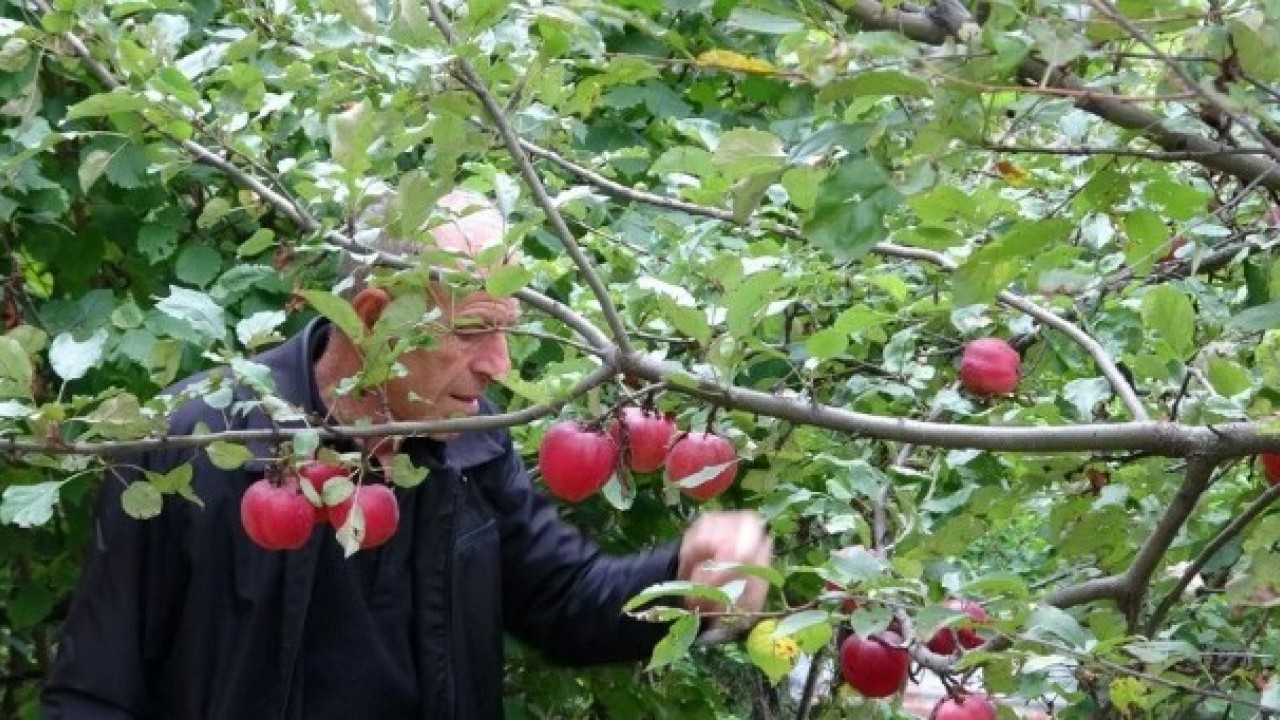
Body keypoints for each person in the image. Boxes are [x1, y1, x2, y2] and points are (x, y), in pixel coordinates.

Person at [41, 188, 773, 719]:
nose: (499, 364)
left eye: (508, 329)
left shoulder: (471, 440)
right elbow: (95, 688)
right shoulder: (206, 442)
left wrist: (686, 580)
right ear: (372, 320)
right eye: (474, 330)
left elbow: (560, 599)